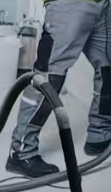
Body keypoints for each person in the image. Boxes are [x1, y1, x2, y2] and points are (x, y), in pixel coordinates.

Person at [7, 0, 111, 178]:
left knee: (106, 70)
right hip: (69, 5)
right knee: (49, 76)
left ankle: (99, 135)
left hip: (103, 5)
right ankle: (21, 152)